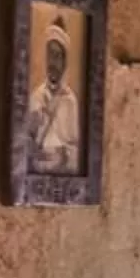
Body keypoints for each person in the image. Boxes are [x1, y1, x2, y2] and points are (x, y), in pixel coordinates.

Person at [24, 27, 82, 175]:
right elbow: (24, 143)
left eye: (57, 56)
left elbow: (77, 153)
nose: (52, 62)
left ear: (64, 61)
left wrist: (62, 156)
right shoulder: (36, 97)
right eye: (49, 55)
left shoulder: (70, 101)